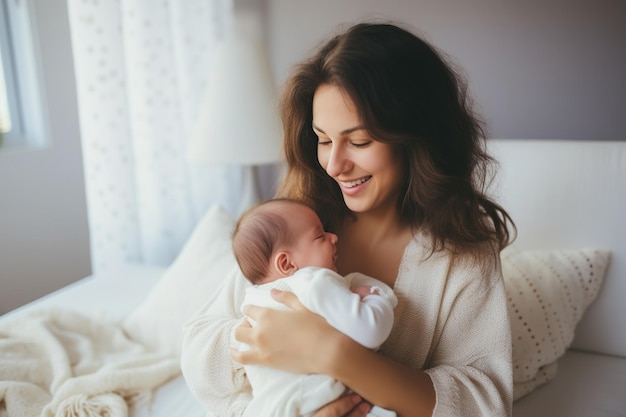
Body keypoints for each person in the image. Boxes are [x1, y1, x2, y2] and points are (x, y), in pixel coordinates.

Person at [181, 20, 515, 417]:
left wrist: (335, 354)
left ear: (418, 139)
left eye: (359, 141)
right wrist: (277, 349)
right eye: (323, 140)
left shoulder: (461, 256)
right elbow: (200, 353)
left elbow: (484, 401)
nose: (335, 165)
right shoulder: (296, 221)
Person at [231, 198, 397, 417]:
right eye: (320, 236)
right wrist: (374, 299)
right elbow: (371, 331)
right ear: (287, 264)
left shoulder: (251, 302)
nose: (333, 237)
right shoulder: (313, 281)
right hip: (319, 397)